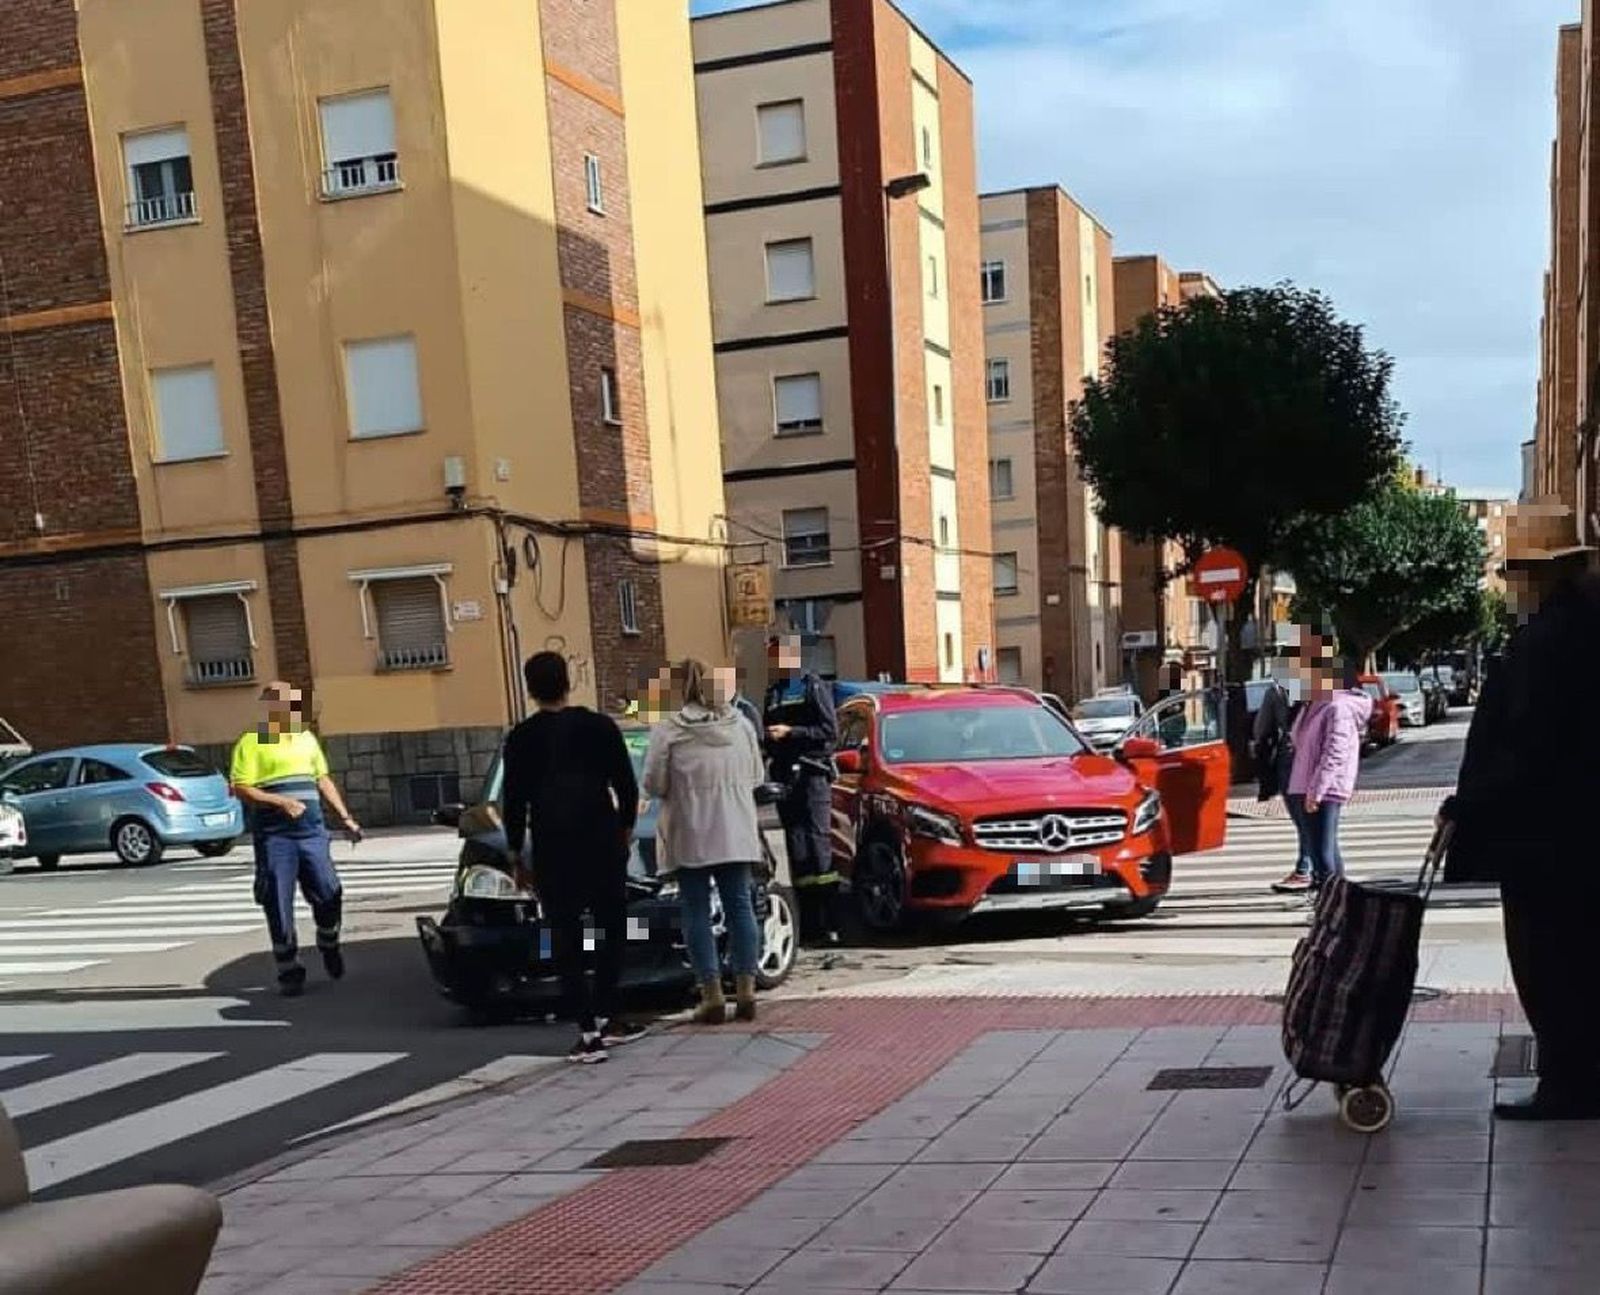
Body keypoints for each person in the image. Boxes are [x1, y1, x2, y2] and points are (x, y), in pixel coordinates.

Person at [1441, 554, 1600, 1120]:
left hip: (1544, 837)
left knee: (1550, 962)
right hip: (1569, 832)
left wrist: (1468, 804)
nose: (1508, 588)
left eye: (1515, 576)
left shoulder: (1549, 641)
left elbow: (1524, 742)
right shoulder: (1573, 631)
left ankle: (1568, 1085)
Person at [503, 651, 645, 1064]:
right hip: (600, 837)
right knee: (613, 926)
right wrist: (624, 828)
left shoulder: (522, 737)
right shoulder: (599, 726)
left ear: (530, 689)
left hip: (553, 843)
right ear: (568, 681)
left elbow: (514, 800)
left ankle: (586, 1029)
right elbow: (627, 784)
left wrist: (516, 852)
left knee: (563, 936)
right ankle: (606, 1011)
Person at [642, 660, 765, 1025]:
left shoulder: (669, 731)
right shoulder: (741, 726)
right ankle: (746, 988)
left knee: (694, 909)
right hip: (736, 828)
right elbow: (756, 775)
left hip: (691, 828)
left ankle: (711, 993)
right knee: (740, 906)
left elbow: (653, 784)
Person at [229, 682, 361, 996]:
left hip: (312, 832)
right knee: (277, 896)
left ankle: (328, 942)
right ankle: (289, 968)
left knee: (329, 890)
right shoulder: (254, 741)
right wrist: (280, 802)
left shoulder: (305, 739)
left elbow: (322, 779)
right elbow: (241, 787)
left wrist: (345, 817)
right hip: (276, 836)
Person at [762, 635, 840, 946]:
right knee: (796, 850)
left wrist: (791, 732)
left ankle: (830, 923)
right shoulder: (773, 693)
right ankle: (807, 925)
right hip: (785, 780)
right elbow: (767, 735)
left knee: (818, 847)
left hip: (812, 775)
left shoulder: (811, 686)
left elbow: (828, 731)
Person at [1283, 634, 1371, 895]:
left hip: (1323, 788)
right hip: (1305, 783)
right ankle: (1335, 903)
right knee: (1322, 848)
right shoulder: (1314, 705)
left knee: (1323, 853)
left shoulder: (1337, 707)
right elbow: (1297, 740)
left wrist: (1317, 790)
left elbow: (1335, 753)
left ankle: (1332, 903)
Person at [1254, 662, 1312, 894]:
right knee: (1319, 821)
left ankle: (1306, 868)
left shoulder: (1276, 691)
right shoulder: (1323, 689)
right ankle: (1315, 869)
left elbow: (1261, 730)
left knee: (1302, 819)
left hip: (1291, 756)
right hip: (1318, 757)